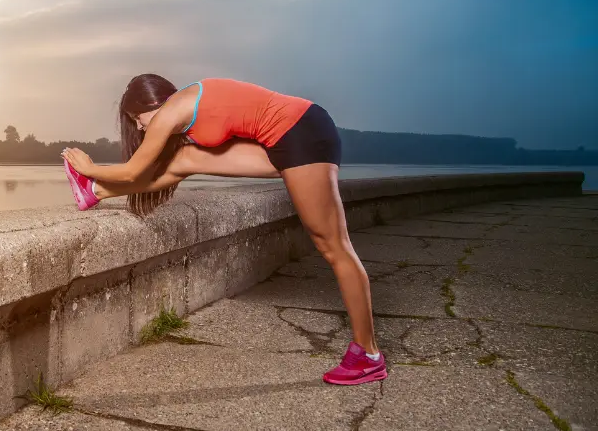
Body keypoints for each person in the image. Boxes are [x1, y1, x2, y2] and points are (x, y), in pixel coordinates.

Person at [60, 74, 386, 386]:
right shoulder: (182, 107)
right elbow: (175, 163)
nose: (138, 126)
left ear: (151, 106)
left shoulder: (169, 113)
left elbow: (133, 171)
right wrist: (98, 180)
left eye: (136, 118)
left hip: (301, 132)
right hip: (289, 135)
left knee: (333, 246)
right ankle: (95, 191)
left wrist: (88, 166)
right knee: (184, 160)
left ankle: (368, 355)